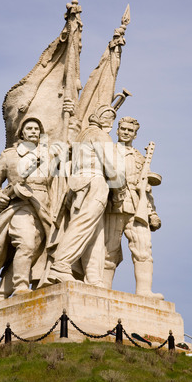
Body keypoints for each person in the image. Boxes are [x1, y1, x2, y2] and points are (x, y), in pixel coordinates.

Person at [45, 105, 125, 287]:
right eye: (106, 117)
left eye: (111, 118)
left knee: (95, 233)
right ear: (97, 118)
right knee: (83, 226)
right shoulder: (100, 135)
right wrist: (119, 188)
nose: (110, 121)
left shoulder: (82, 136)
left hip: (78, 186)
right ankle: (61, 264)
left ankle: (93, 278)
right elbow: (110, 165)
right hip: (94, 182)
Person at [0, 117, 53, 302]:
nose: (33, 131)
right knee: (26, 244)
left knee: (33, 253)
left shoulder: (49, 155)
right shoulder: (10, 155)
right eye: (29, 128)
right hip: (19, 206)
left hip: (44, 209)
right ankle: (21, 286)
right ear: (22, 132)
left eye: (37, 129)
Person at [104, 116, 164, 299]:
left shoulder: (140, 157)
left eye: (130, 131)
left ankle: (144, 291)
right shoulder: (108, 151)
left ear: (135, 135)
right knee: (108, 251)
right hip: (113, 205)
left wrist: (152, 212)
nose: (126, 133)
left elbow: (146, 188)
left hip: (137, 206)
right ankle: (103, 290)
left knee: (143, 249)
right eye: (123, 129)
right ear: (117, 130)